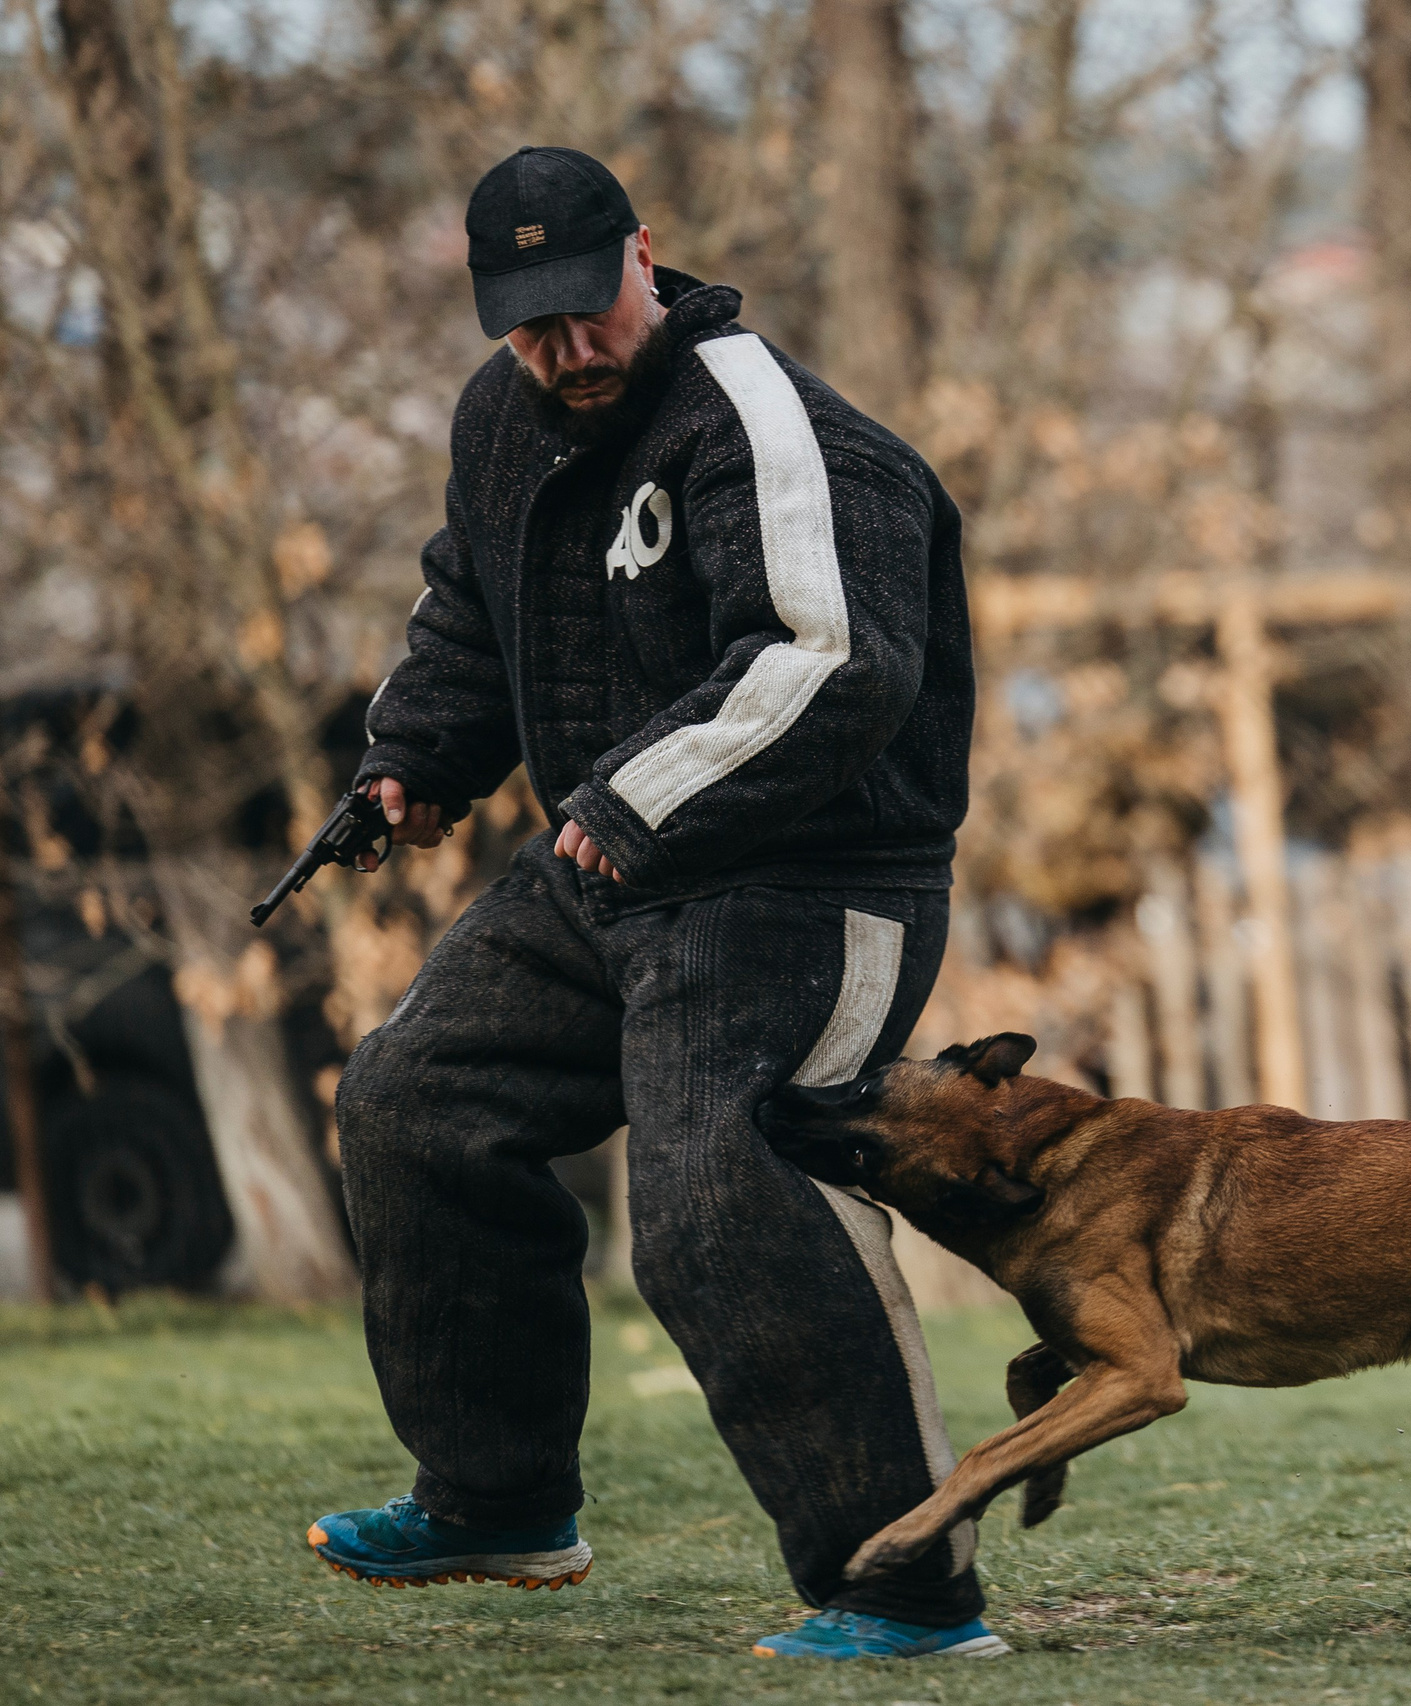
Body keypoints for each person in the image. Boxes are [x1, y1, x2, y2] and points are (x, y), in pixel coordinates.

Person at [303, 145, 1003, 1662]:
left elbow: (832, 663)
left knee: (711, 1200)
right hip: (611, 870)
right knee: (414, 1098)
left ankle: (901, 1588)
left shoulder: (768, 425)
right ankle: (497, 1502)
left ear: (647, 257)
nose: (563, 350)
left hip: (810, 881)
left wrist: (627, 804)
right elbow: (471, 609)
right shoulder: (502, 417)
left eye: (583, 310)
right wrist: (409, 762)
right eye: (527, 324)